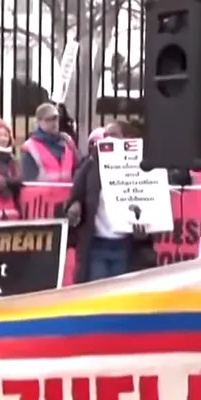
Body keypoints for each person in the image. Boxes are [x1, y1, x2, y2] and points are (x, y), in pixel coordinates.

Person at [65, 120, 157, 282]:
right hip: (97, 245)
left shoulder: (141, 166)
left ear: (126, 139)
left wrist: (145, 230)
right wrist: (75, 206)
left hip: (126, 247)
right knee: (97, 297)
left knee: (120, 299)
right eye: (105, 135)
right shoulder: (91, 165)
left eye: (113, 135)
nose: (107, 139)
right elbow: (76, 195)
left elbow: (151, 204)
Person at [20, 102, 78, 182]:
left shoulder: (68, 142)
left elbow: (77, 170)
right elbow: (29, 181)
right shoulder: (29, 147)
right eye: (48, 120)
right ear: (39, 122)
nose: (53, 123)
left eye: (55, 118)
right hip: (42, 193)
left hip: (69, 193)